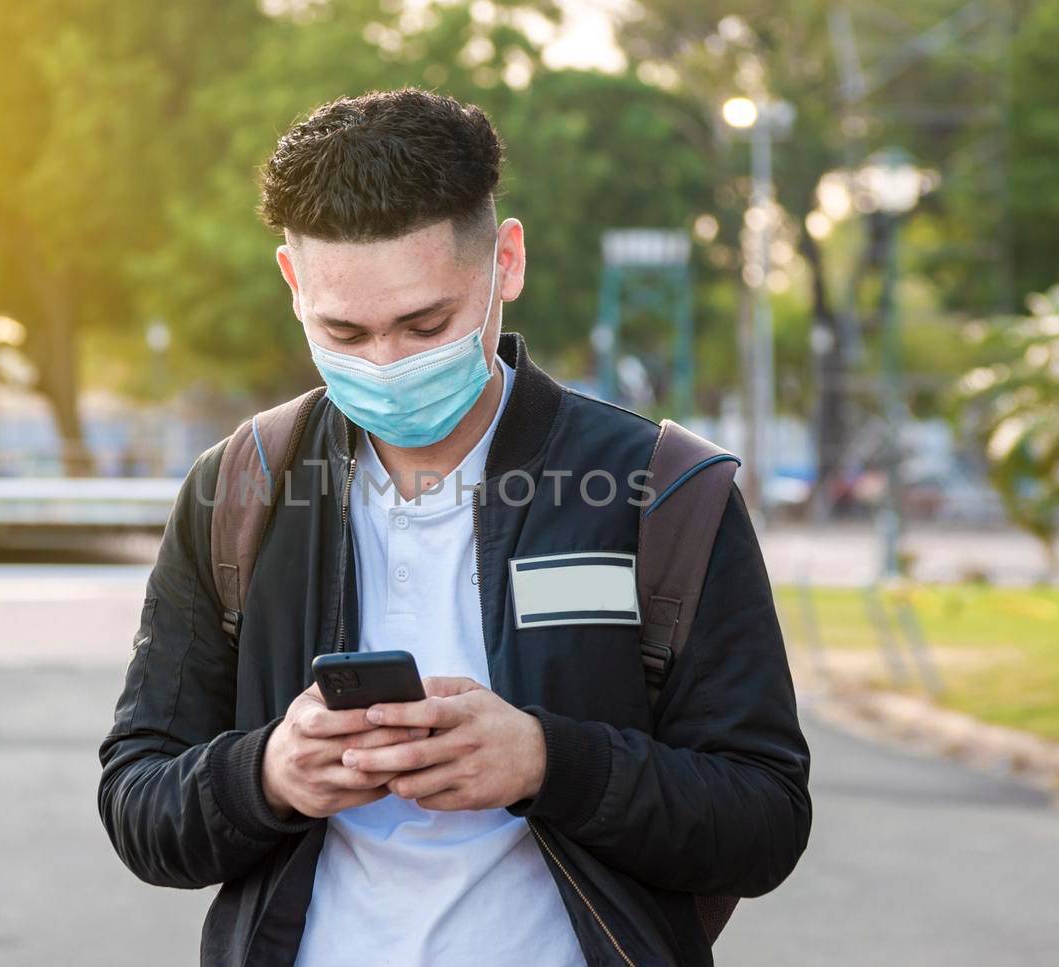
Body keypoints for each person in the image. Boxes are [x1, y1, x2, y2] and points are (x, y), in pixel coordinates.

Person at [97, 87, 811, 967]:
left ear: (505, 262)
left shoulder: (664, 492)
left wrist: (550, 763)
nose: (386, 365)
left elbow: (765, 816)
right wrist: (269, 773)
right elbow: (138, 799)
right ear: (294, 282)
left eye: (425, 324)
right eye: (344, 330)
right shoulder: (237, 490)